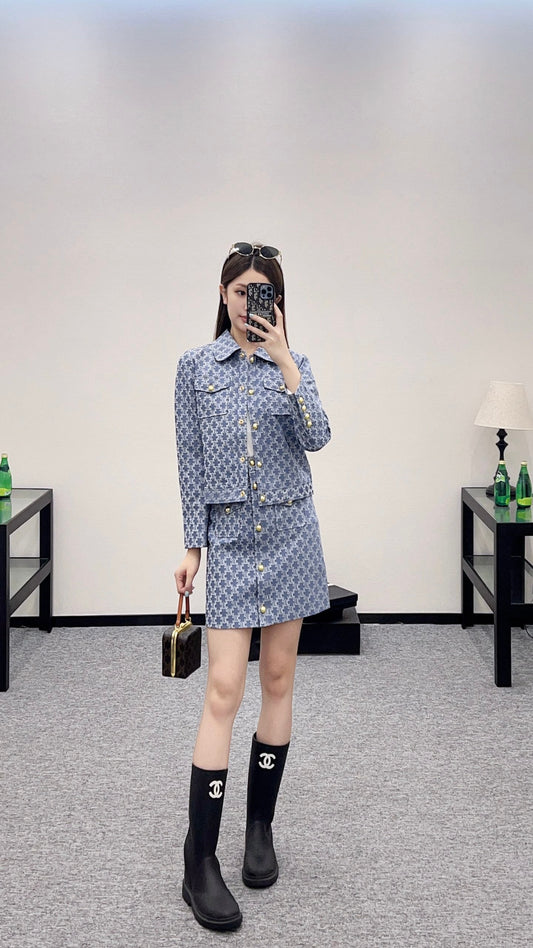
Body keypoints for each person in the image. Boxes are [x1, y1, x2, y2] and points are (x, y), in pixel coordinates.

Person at [174, 241, 331, 932]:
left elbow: (318, 437)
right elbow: (189, 461)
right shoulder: (194, 368)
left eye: (261, 292)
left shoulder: (296, 366)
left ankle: (259, 828)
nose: (248, 303)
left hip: (292, 538)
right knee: (222, 689)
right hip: (233, 544)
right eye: (240, 291)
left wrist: (287, 361)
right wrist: (193, 546)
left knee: (278, 680)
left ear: (278, 301)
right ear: (222, 293)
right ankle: (198, 860)